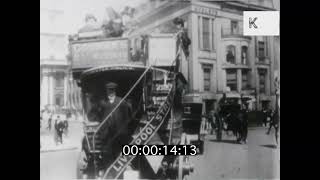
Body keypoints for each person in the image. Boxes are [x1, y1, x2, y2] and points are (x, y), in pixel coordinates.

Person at [94, 82, 132, 170]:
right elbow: (99, 117)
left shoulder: (121, 102)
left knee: (119, 153)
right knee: (108, 154)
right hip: (106, 134)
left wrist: (124, 130)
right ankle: (109, 172)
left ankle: (119, 172)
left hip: (119, 134)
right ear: (106, 91)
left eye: (112, 90)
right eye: (109, 91)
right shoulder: (103, 103)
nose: (110, 93)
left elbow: (127, 117)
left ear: (115, 91)